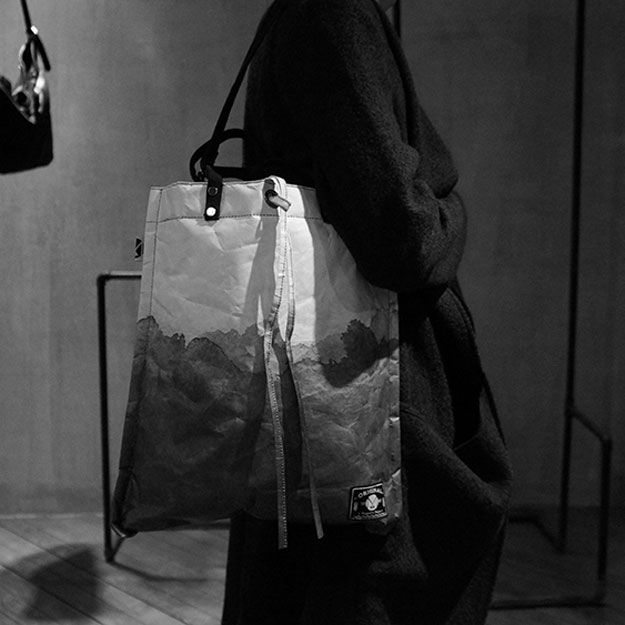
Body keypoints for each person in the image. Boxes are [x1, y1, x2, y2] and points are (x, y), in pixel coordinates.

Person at [221, 0, 512, 623]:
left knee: (312, 572)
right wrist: (453, 210)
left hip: (329, 377)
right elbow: (401, 237)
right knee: (364, 579)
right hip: (368, 379)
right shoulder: (332, 14)